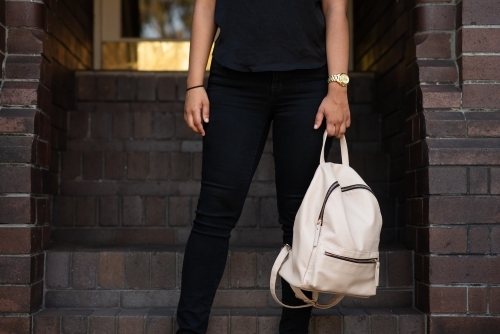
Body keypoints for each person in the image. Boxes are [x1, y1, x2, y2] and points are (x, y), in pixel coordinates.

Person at [176, 0, 351, 332]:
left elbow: (335, 9)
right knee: (214, 211)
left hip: (307, 83)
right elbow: (205, 5)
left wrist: (337, 86)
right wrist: (195, 84)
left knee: (301, 220)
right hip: (233, 82)